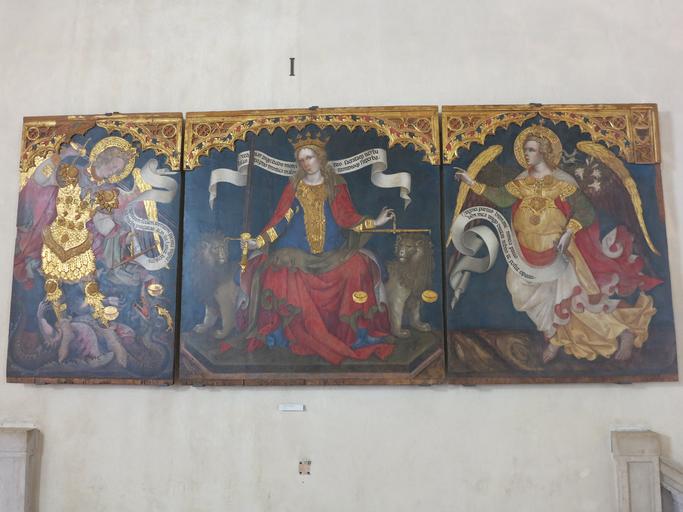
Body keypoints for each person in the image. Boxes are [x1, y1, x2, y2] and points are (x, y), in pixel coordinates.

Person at [457, 126, 660, 363]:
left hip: (559, 253)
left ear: (543, 152)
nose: (527, 154)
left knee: (576, 303)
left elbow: (585, 211)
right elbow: (502, 198)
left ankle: (620, 332)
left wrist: (569, 232)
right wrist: (472, 183)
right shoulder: (521, 181)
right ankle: (553, 334)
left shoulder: (563, 182)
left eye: (531, 150)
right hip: (524, 254)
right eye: (525, 150)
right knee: (519, 291)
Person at [237, 135, 396, 365]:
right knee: (276, 273)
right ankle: (282, 334)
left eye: (309, 157)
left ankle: (356, 333)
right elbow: (280, 220)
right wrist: (257, 242)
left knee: (357, 267)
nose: (306, 163)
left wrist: (376, 222)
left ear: (320, 158)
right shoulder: (295, 187)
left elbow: (346, 217)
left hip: (332, 253)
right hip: (297, 253)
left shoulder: (335, 185)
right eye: (301, 160)